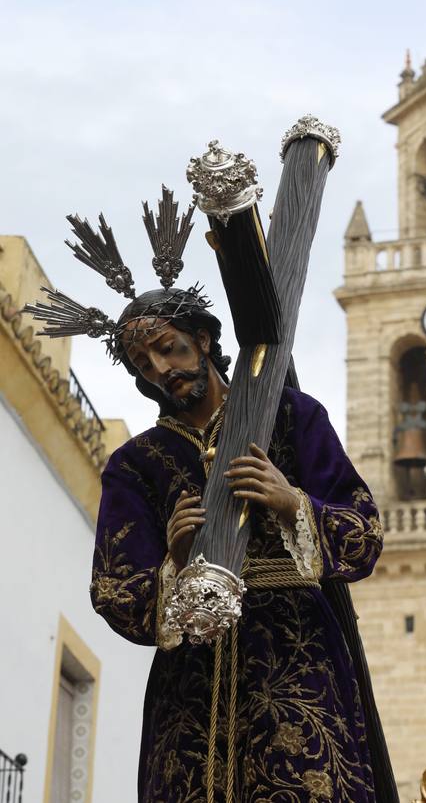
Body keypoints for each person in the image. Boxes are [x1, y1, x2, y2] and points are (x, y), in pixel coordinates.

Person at [90, 287, 385, 803]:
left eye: (169, 348)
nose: (161, 368)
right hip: (191, 682)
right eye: (143, 362)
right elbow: (114, 591)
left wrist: (292, 501)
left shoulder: (291, 416)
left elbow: (365, 532)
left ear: (202, 339)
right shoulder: (135, 463)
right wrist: (175, 564)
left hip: (297, 656)